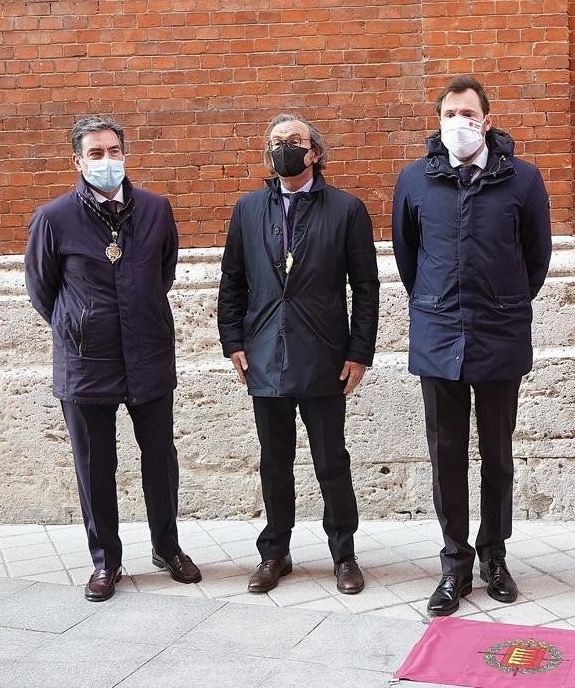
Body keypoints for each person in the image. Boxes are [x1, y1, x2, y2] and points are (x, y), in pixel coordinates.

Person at [392, 75, 552, 617]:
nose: (460, 122)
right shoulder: (415, 180)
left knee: (498, 455)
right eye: (450, 113)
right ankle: (454, 562)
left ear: (487, 118)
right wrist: (438, 303)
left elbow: (537, 259)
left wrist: (503, 301)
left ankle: (494, 555)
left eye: (468, 113)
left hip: (500, 333)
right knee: (446, 456)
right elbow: (408, 259)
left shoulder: (522, 180)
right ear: (439, 122)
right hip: (438, 336)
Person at [25, 115, 200, 601]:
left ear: (125, 154)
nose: (107, 161)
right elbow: (44, 292)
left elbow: (161, 273)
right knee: (94, 465)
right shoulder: (53, 218)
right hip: (86, 363)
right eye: (96, 154)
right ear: (77, 161)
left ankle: (168, 547)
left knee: (160, 460)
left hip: (147, 353)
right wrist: (81, 324)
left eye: (114, 151)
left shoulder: (156, 209)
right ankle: (107, 562)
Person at [218, 113, 379, 595]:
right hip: (265, 352)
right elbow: (232, 281)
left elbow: (366, 287)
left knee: (331, 459)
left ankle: (344, 553)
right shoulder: (247, 210)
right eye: (275, 142)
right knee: (274, 460)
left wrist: (359, 351)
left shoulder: (346, 209)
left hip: (325, 353)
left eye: (294, 141)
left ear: (314, 152)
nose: (283, 148)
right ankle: (275, 553)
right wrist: (233, 341)